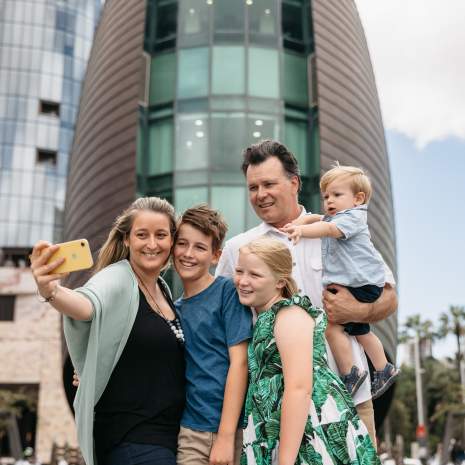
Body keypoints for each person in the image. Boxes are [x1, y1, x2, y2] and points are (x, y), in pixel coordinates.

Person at [215, 139, 397, 444]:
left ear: (294, 183)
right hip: (271, 407)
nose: (260, 195)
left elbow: (389, 297)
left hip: (348, 400)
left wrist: (357, 311)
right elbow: (223, 323)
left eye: (269, 184)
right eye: (253, 187)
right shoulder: (237, 249)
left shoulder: (339, 232)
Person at [30, 197, 185, 465]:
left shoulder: (163, 289)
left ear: (171, 241)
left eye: (161, 235)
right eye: (141, 235)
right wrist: (50, 290)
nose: (152, 244)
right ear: (126, 240)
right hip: (132, 441)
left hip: (165, 439)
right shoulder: (118, 277)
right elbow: (87, 305)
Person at [234, 237, 380, 465]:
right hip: (279, 433)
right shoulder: (266, 317)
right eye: (239, 271)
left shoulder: (289, 315)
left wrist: (285, 461)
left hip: (309, 435)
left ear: (280, 281)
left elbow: (299, 389)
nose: (243, 281)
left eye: (254, 275)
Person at [281, 164, 399, 398]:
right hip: (362, 284)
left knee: (333, 328)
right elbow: (319, 217)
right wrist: (302, 222)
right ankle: (384, 367)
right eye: (326, 196)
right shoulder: (340, 216)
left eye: (336, 195)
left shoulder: (352, 219)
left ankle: (351, 374)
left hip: (362, 285)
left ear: (358, 199)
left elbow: (327, 228)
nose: (329, 201)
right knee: (362, 332)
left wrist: (302, 232)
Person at [173, 205, 252, 465]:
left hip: (230, 430)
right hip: (189, 430)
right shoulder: (174, 308)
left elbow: (240, 363)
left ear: (216, 255)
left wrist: (226, 437)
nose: (188, 253)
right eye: (182, 243)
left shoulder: (227, 292)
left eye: (199, 247)